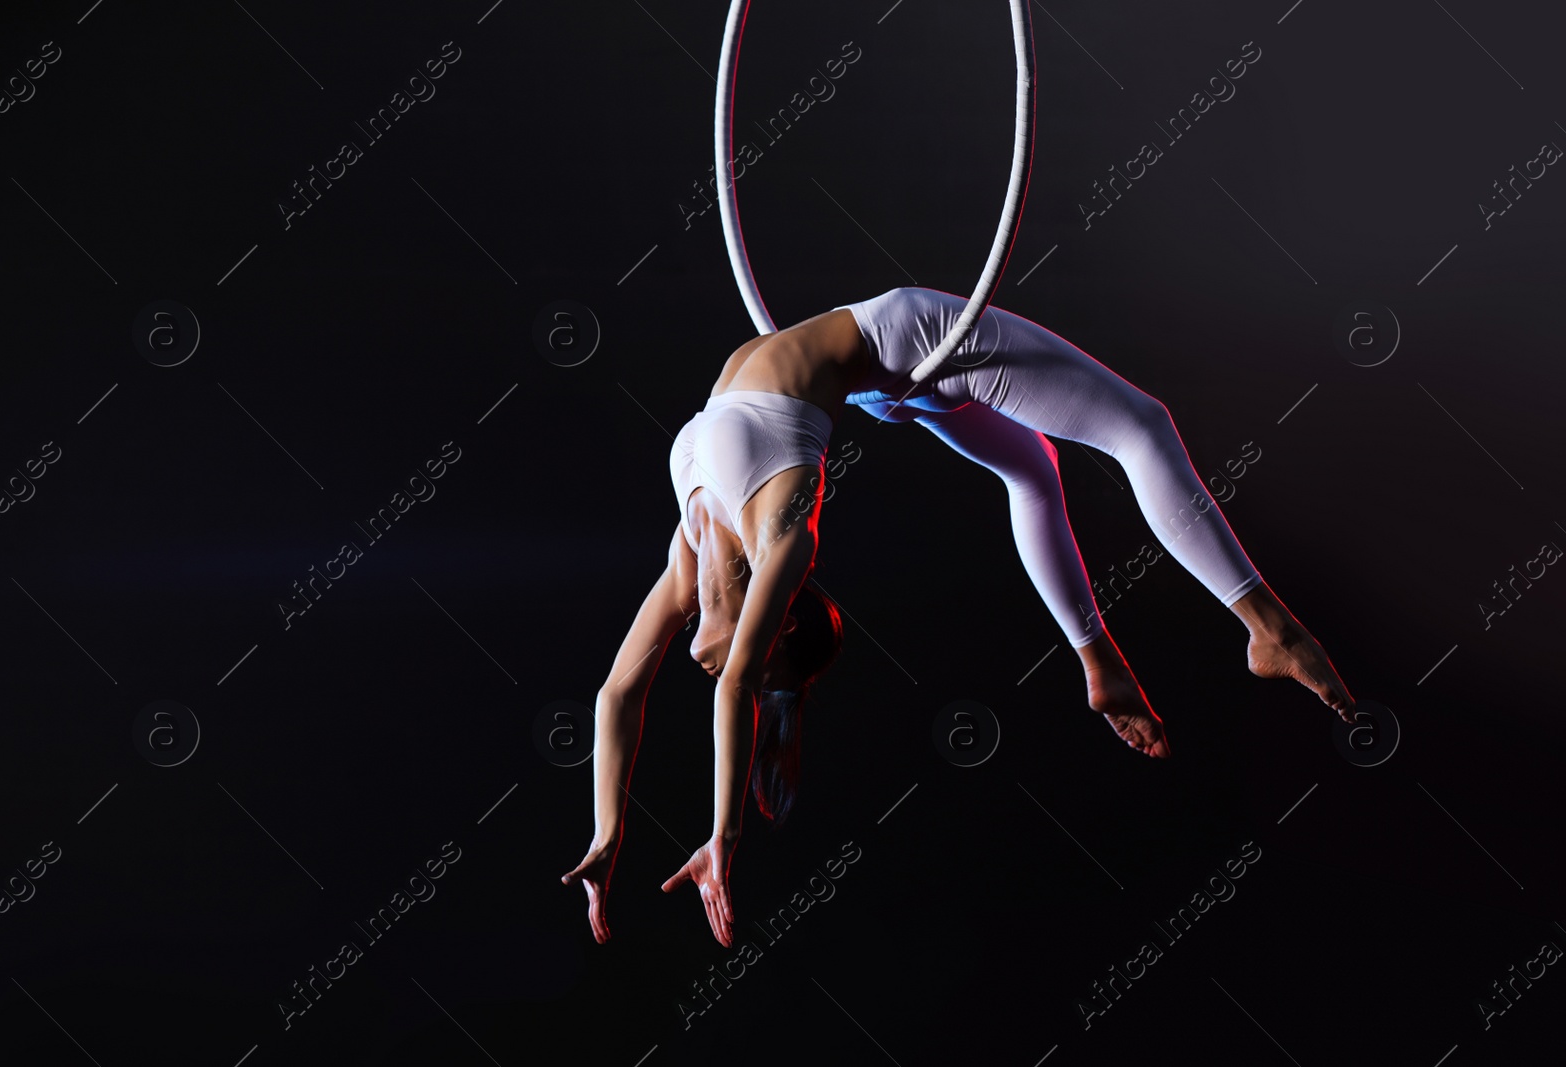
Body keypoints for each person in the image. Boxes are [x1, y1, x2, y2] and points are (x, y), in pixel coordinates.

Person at [562, 287, 1356, 946]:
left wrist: (677, 837)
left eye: (746, 668)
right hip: (896, 352)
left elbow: (643, 693)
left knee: (1041, 468)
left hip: (888, 359)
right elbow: (672, 690)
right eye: (765, 666)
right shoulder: (773, 540)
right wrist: (636, 830)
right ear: (778, 632)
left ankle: (1146, 650)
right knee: (1135, 427)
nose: (706, 664)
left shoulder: (699, 564)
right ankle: (1251, 633)